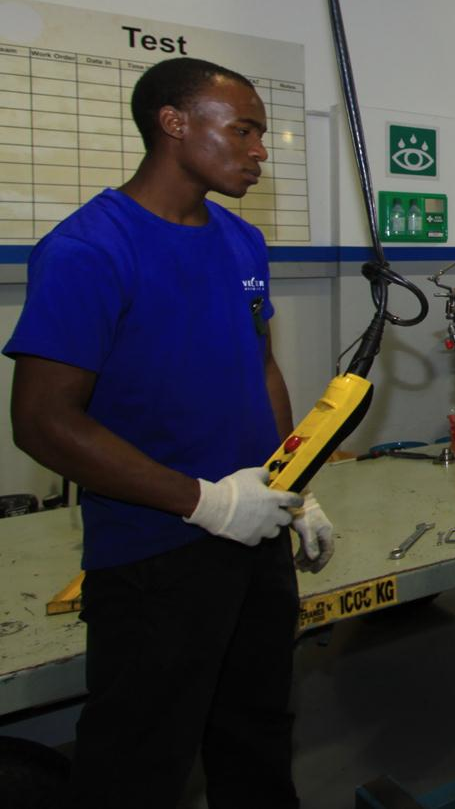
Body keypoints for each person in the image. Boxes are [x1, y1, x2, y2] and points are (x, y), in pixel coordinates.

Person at [5, 57, 336, 808]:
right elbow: (43, 421)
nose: (260, 150)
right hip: (156, 555)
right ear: (174, 124)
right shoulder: (88, 251)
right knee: (140, 759)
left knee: (256, 734)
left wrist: (291, 488)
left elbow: (262, 371)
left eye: (260, 132)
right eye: (243, 130)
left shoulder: (241, 241)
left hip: (257, 540)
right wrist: (207, 503)